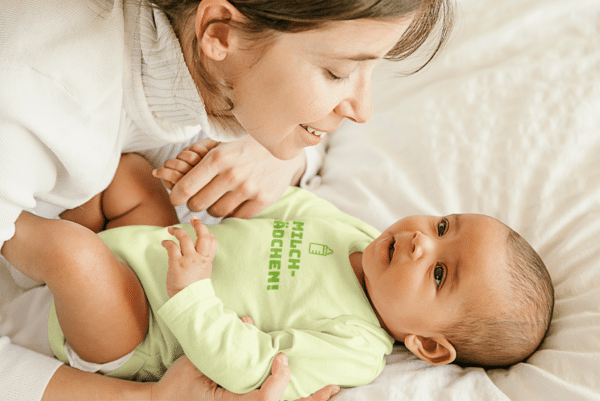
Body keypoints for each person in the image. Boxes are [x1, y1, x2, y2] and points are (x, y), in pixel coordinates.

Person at [1, 0, 457, 398]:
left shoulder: (218, 75)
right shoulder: (32, 108)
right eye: (338, 72)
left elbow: (302, 196)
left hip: (148, 265)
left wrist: (280, 159)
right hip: (99, 300)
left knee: (129, 181)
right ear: (220, 32)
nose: (362, 109)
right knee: (77, 252)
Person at [1, 153, 554, 400]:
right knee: (126, 174)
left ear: (429, 346)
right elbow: (277, 206)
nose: (419, 240)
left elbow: (251, 370)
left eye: (438, 272)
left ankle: (13, 225)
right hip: (160, 248)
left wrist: (191, 292)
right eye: (442, 225)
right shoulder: (356, 236)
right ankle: (26, 248)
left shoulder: (356, 346)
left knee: (73, 257)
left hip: (140, 330)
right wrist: (203, 176)